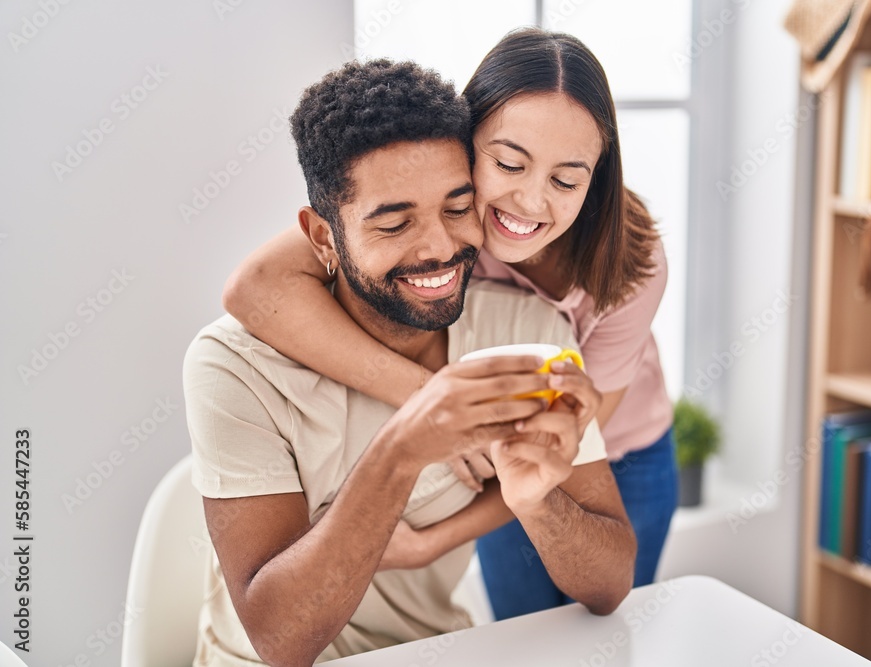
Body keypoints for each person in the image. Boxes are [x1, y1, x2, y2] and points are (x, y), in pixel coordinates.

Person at [183, 59, 636, 666]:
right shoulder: (232, 368)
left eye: (457, 207)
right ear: (322, 238)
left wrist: (536, 501)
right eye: (395, 223)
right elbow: (279, 643)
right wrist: (405, 446)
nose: (440, 248)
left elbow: (608, 589)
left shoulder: (525, 332)